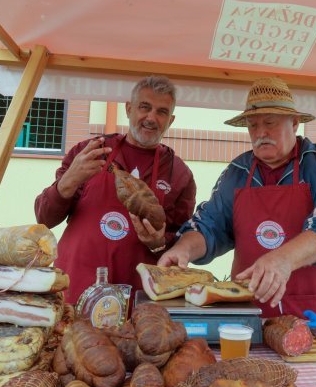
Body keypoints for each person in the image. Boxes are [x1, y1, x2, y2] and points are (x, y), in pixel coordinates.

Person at [159, 77, 316, 319]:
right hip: (253, 315)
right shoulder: (238, 171)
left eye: (270, 122)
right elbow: (210, 225)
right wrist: (183, 249)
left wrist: (283, 260)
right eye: (253, 125)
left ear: (294, 123)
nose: (261, 132)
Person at [35, 75, 196, 305]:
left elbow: (178, 243)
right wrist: (69, 180)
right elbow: (44, 217)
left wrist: (158, 243)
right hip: (78, 285)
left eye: (161, 112)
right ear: (129, 109)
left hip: (138, 297)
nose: (151, 117)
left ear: (170, 120)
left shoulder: (179, 173)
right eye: (144, 107)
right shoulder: (91, 151)